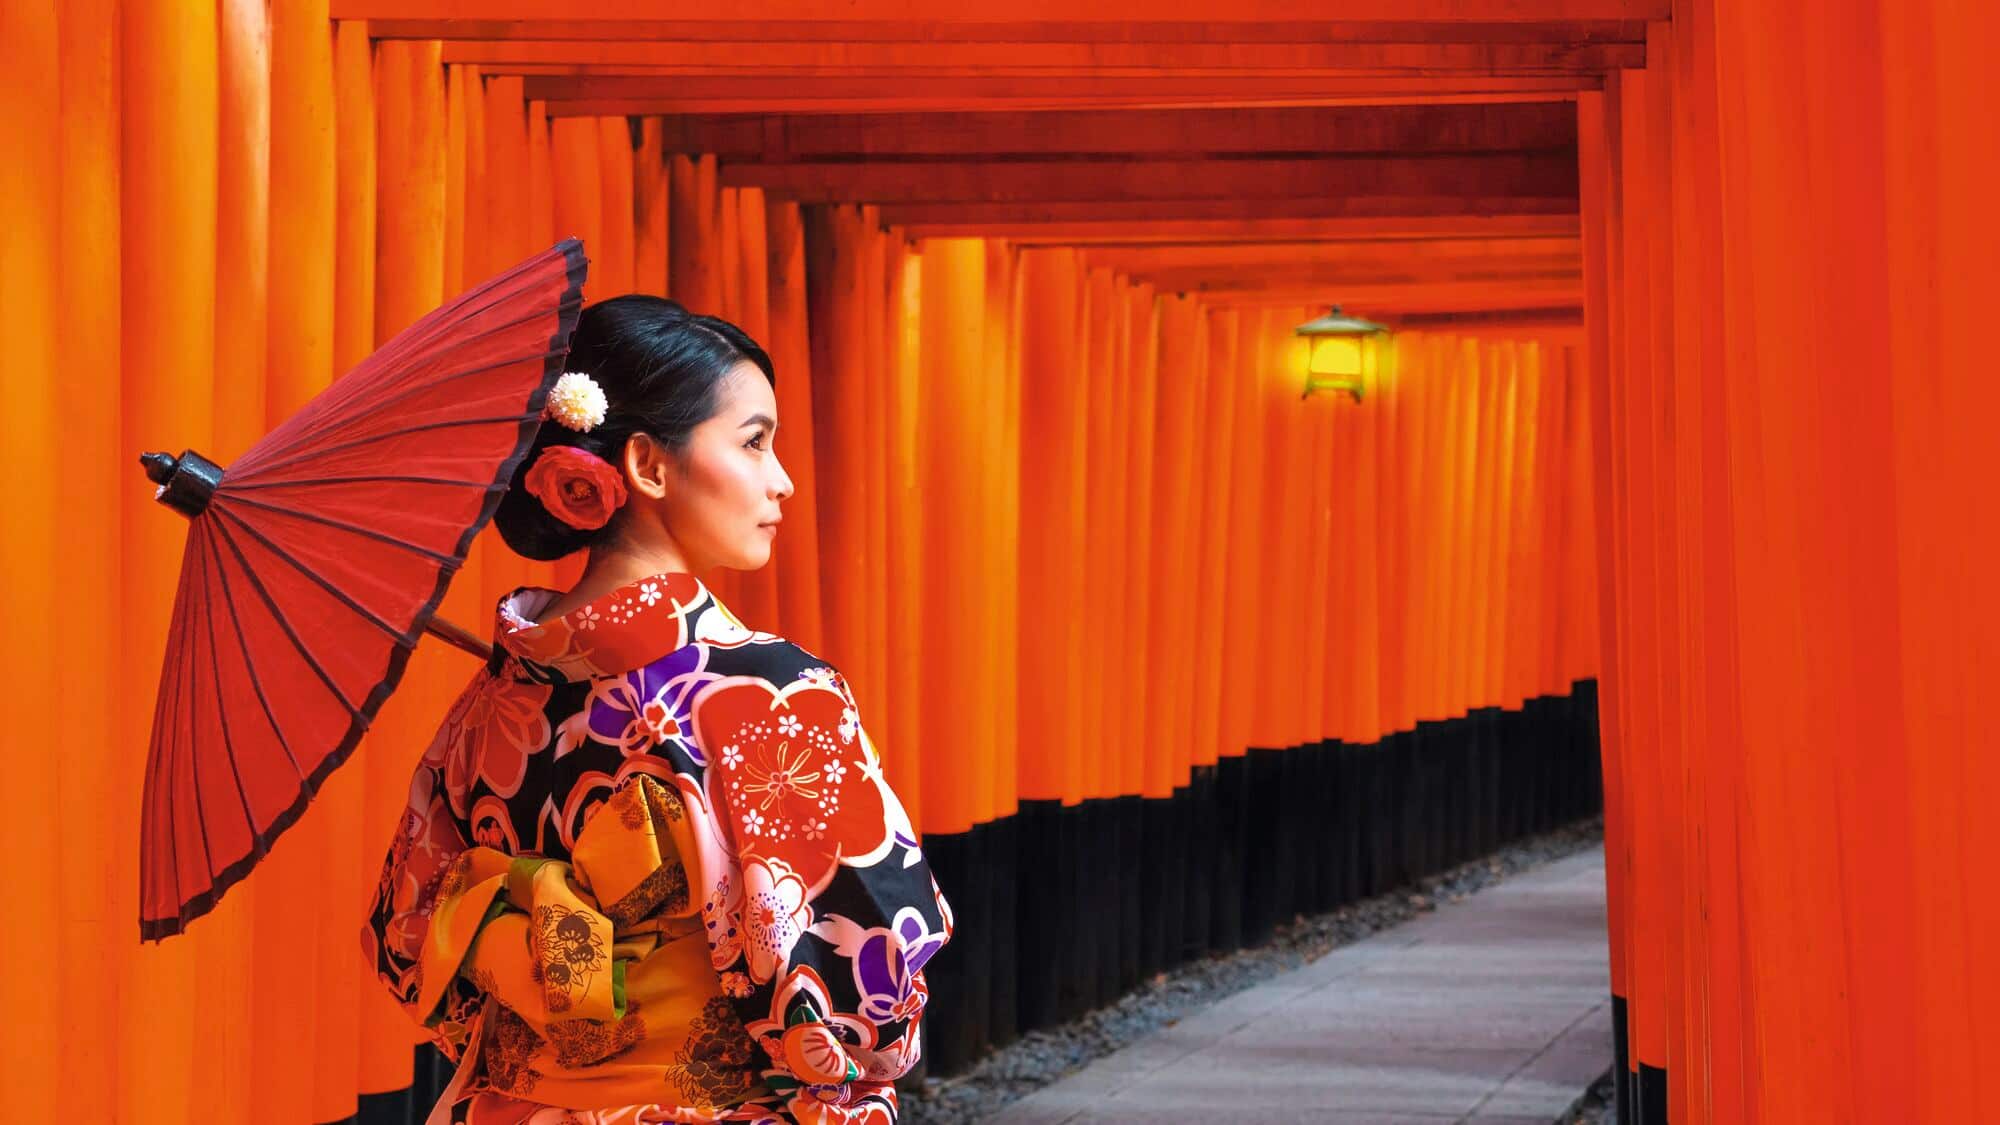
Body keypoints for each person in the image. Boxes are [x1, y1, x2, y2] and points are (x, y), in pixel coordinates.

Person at [363, 296, 952, 1125]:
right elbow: (871, 994)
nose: (780, 479)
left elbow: (405, 945)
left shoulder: (487, 704)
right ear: (645, 464)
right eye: (753, 442)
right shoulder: (766, 695)